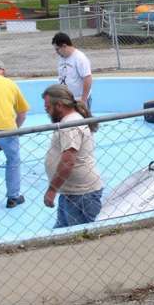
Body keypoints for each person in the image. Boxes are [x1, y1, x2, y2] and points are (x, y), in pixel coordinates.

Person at [42, 84, 103, 228]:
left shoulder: (70, 125)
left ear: (59, 105)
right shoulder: (69, 121)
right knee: (62, 234)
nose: (46, 110)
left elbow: (68, 161)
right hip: (71, 193)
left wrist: (52, 190)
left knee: (80, 240)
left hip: (81, 196)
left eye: (48, 107)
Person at [0, 60, 30, 208]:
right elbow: (23, 112)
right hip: (7, 129)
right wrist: (15, 130)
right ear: (3, 71)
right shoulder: (10, 84)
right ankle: (13, 197)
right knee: (13, 161)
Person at [52, 32, 93, 107]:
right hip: (66, 100)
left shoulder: (80, 58)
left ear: (64, 46)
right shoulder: (62, 58)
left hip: (79, 100)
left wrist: (83, 100)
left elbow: (88, 78)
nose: (56, 52)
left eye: (57, 49)